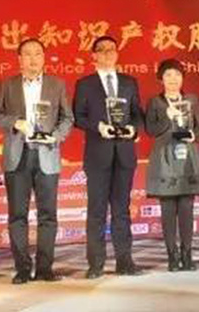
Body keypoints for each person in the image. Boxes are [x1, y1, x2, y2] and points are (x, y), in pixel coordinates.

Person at [0, 38, 74, 284]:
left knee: (47, 215)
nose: (33, 59)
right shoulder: (8, 85)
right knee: (18, 215)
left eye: (38, 53)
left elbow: (67, 118)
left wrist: (55, 136)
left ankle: (45, 268)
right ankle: (22, 269)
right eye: (27, 54)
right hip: (18, 155)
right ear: (19, 59)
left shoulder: (56, 84)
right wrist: (15, 122)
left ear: (44, 58)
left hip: (47, 154)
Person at [73, 36, 144, 278]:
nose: (107, 53)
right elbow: (78, 116)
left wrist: (133, 129)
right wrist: (98, 126)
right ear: (93, 55)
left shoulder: (129, 82)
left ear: (117, 53)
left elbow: (137, 114)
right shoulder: (85, 84)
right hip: (98, 154)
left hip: (124, 152)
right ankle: (96, 264)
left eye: (111, 49)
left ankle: (125, 261)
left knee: (122, 209)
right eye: (101, 50)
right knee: (97, 210)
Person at [144, 58, 199, 272]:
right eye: (168, 75)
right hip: (164, 157)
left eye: (177, 75)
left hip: (187, 156)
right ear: (161, 79)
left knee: (187, 208)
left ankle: (187, 254)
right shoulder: (155, 102)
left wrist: (193, 135)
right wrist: (166, 116)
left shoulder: (191, 99)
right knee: (168, 208)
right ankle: (172, 255)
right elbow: (150, 130)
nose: (173, 79)